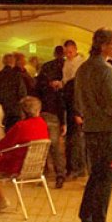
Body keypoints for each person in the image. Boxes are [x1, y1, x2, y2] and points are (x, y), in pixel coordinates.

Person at [75, 28, 112, 222]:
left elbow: (78, 99)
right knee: (106, 175)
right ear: (103, 46)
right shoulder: (106, 70)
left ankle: (86, 217)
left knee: (95, 173)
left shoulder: (82, 69)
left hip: (90, 127)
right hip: (107, 128)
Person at [0, 96, 50, 212]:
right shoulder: (42, 124)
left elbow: (3, 145)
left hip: (17, 165)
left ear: (22, 111)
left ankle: (2, 199)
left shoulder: (20, 126)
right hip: (35, 165)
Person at [36, 45, 67, 188]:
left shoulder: (44, 72)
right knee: (55, 148)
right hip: (54, 115)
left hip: (41, 115)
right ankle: (60, 175)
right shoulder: (63, 71)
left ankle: (42, 174)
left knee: (41, 146)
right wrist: (63, 122)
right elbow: (61, 103)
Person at [63, 39, 87, 178]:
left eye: (70, 52)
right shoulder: (66, 63)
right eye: (66, 52)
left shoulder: (81, 64)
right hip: (70, 101)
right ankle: (75, 167)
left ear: (75, 50)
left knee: (77, 139)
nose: (68, 55)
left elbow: (79, 91)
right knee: (73, 138)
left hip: (76, 104)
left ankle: (78, 167)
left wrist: (78, 112)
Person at [0, 53, 27, 130]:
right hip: (14, 110)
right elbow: (22, 93)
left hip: (0, 108)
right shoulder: (17, 76)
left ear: (3, 62)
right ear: (13, 62)